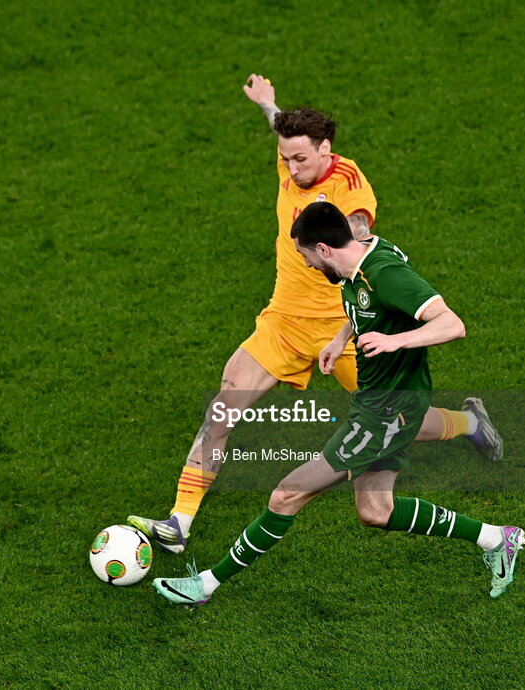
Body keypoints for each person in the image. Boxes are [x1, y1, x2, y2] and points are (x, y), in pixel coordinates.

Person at [128, 76, 502, 554]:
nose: (291, 167)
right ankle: (179, 524)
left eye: (301, 158)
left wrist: (352, 244)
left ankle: (469, 424)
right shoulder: (292, 160)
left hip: (344, 330)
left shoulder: (348, 186)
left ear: (326, 149)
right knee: (222, 408)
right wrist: (268, 105)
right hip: (282, 322)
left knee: (404, 419)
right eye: (285, 158)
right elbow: (284, 135)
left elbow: (358, 239)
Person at [152, 202, 525, 604]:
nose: (308, 265)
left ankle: (205, 584)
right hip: (383, 403)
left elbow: (453, 324)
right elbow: (365, 304)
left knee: (286, 494)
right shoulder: (357, 259)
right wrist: (340, 338)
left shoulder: (386, 274)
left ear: (324, 249)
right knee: (375, 511)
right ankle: (496, 538)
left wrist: (394, 341)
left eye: (307, 256)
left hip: (385, 412)